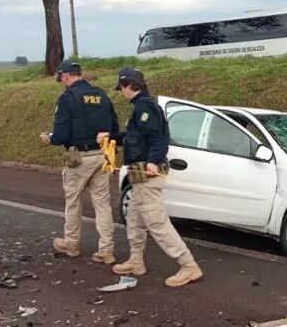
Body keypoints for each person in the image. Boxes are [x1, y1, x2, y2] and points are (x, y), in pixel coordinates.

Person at [102, 66, 203, 288]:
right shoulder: (141, 107)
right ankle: (136, 261)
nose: (121, 92)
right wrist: (111, 137)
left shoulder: (145, 108)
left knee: (156, 222)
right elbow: (132, 137)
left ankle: (188, 265)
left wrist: (153, 161)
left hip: (147, 175)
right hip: (139, 177)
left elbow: (157, 138)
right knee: (135, 219)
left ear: (129, 85)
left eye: (121, 88)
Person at [40, 60, 120, 265]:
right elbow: (115, 128)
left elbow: (61, 134)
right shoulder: (102, 95)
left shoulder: (67, 98)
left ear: (65, 76)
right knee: (102, 204)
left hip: (79, 158)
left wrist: (49, 138)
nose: (62, 83)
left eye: (61, 79)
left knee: (73, 200)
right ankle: (106, 250)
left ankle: (72, 244)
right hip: (103, 156)